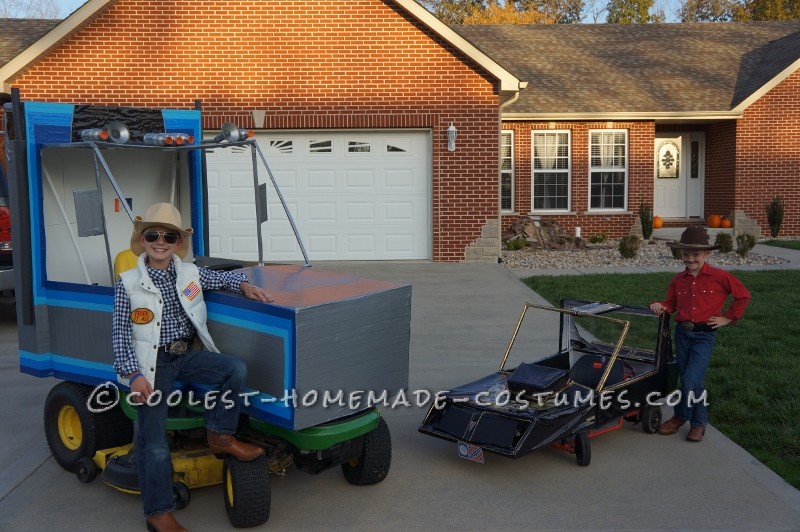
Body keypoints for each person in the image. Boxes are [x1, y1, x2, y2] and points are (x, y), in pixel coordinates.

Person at [112, 203, 274, 532]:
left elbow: (223, 278)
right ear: (142, 239)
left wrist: (243, 286)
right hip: (153, 363)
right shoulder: (128, 283)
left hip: (186, 355)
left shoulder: (190, 274)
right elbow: (118, 334)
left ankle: (219, 433)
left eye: (169, 236)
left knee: (234, 369)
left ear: (178, 243)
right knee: (153, 441)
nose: (161, 241)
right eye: (153, 234)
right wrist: (135, 375)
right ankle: (158, 514)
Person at [649, 226, 750, 443]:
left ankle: (680, 416)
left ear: (706, 254)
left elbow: (743, 296)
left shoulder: (720, 277)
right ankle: (698, 422)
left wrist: (728, 318)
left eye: (696, 255)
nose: (691, 259)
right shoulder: (678, 280)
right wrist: (659, 305)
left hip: (704, 335)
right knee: (693, 381)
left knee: (689, 380)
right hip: (682, 334)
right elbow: (671, 304)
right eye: (686, 254)